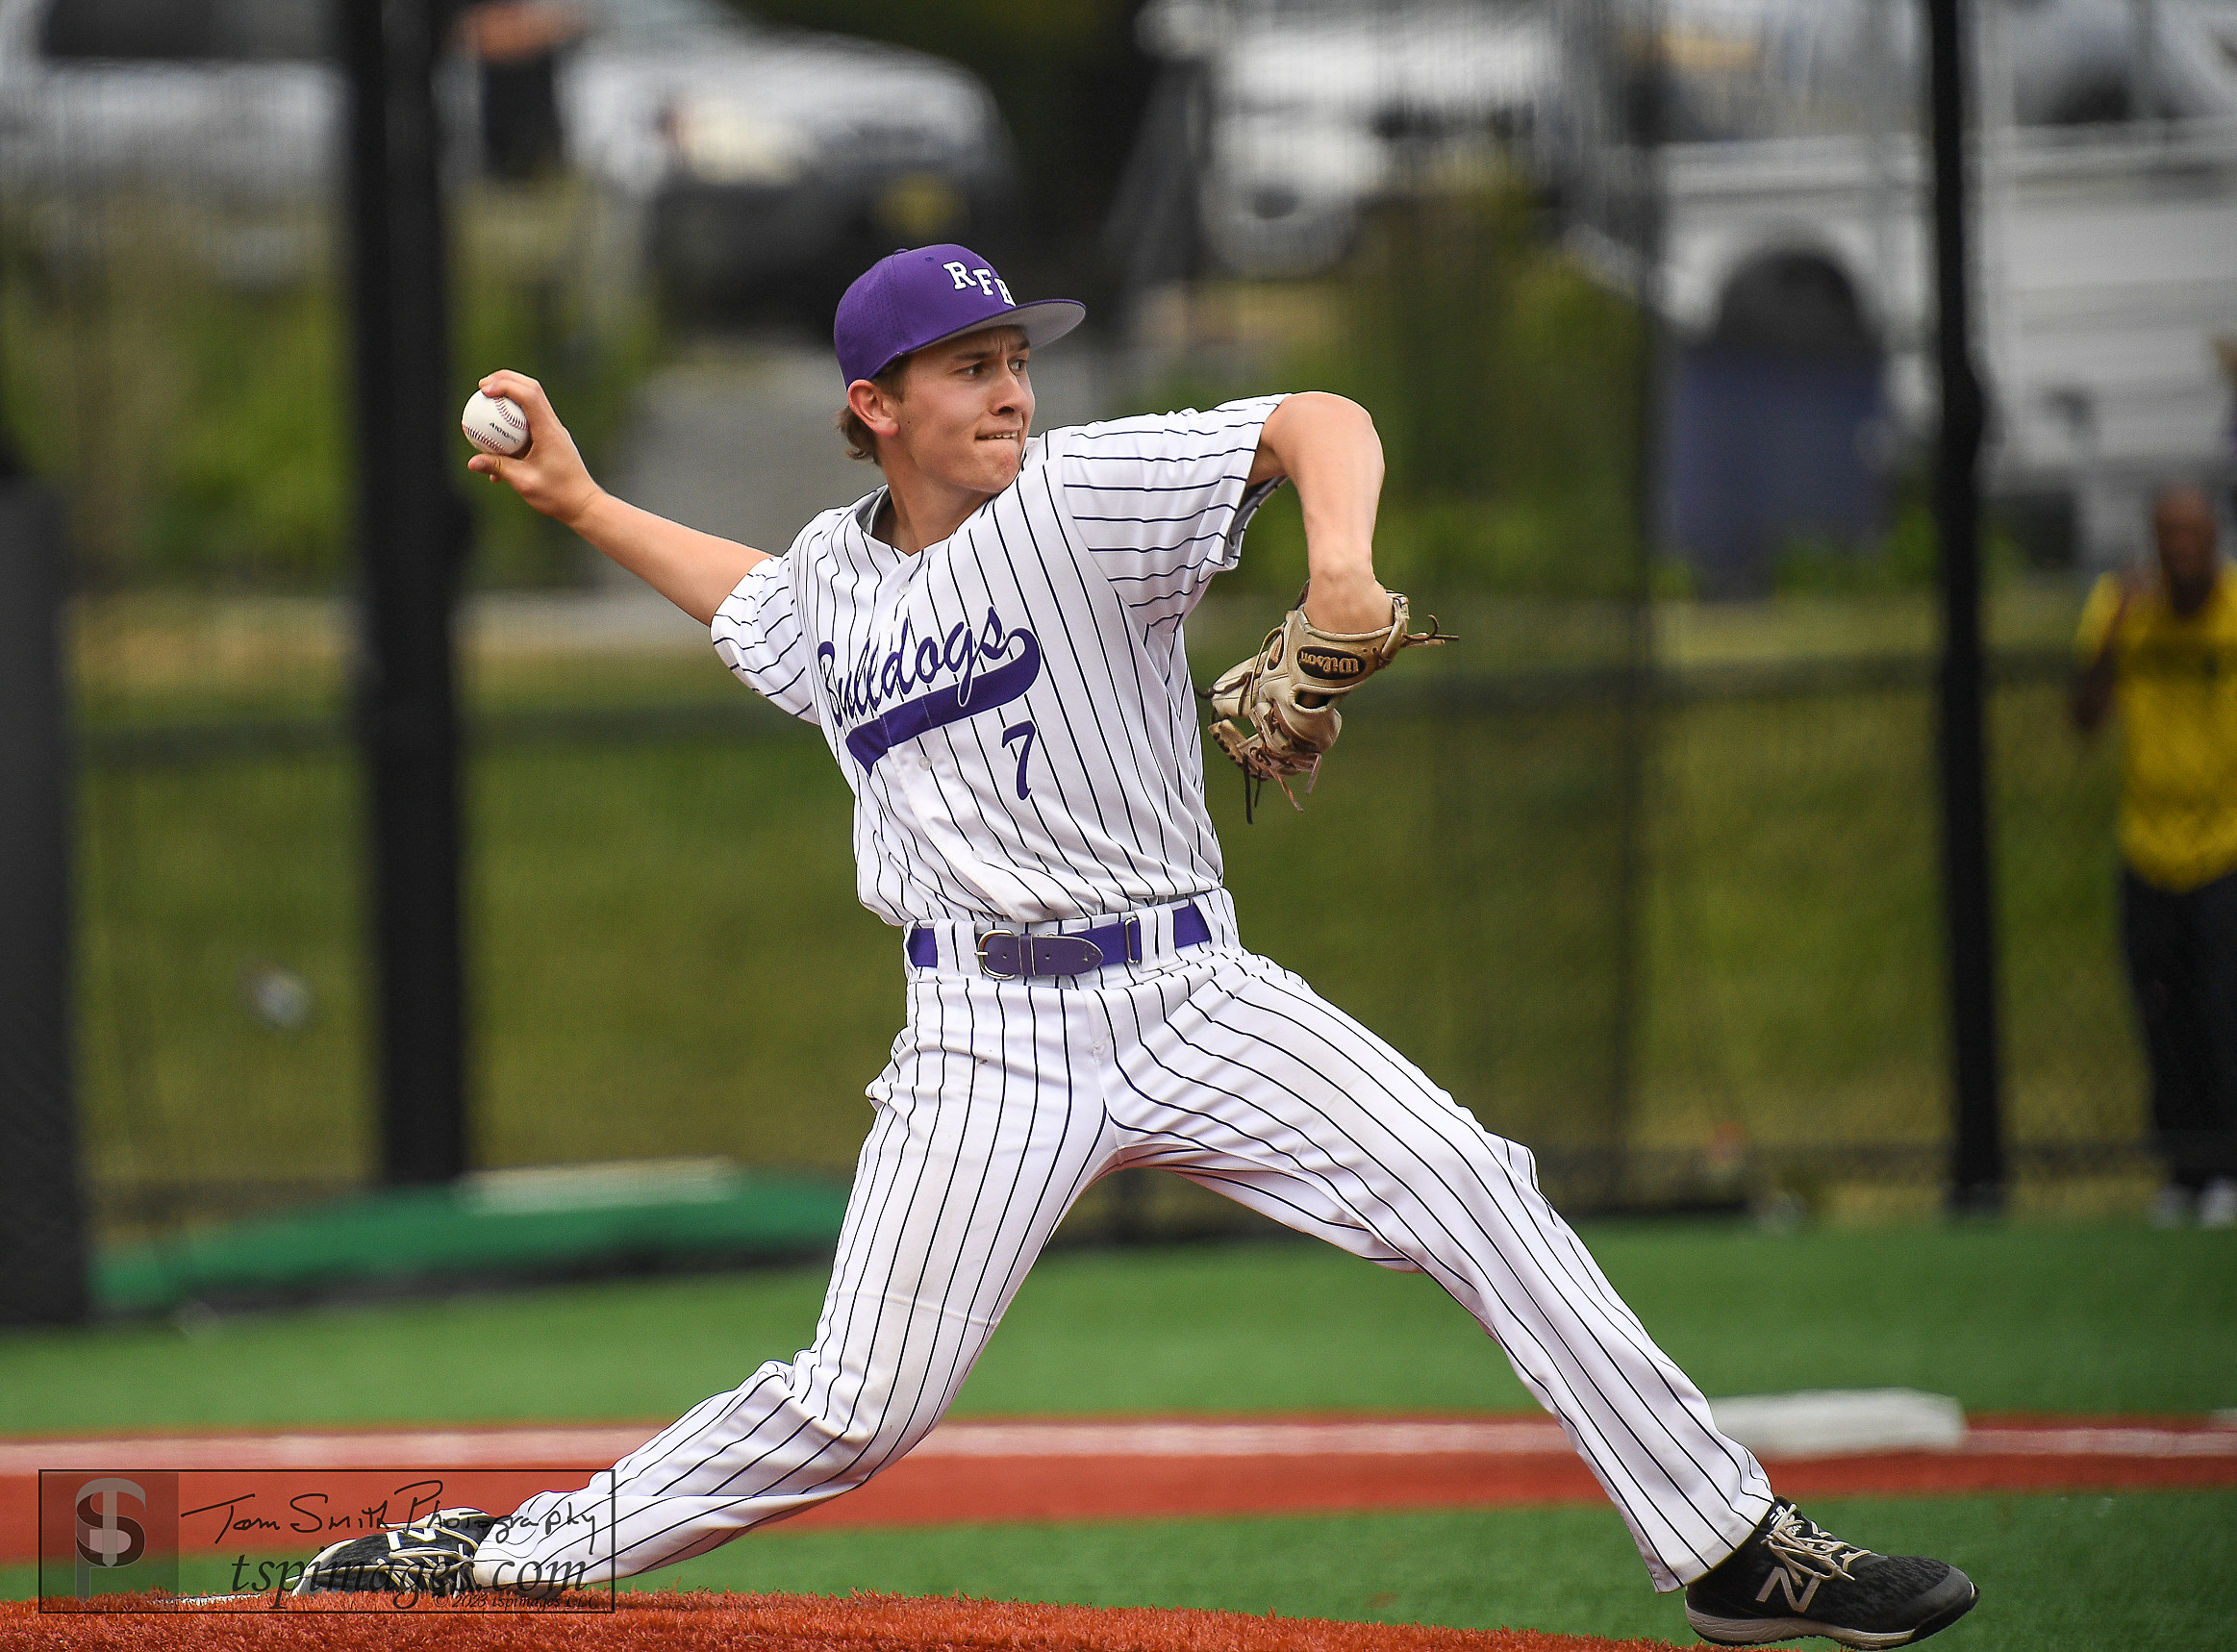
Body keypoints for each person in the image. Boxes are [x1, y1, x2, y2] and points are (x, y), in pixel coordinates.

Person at [296, 245, 1976, 1647]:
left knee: (1471, 1178)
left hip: (1186, 989)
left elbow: (1318, 417)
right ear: (872, 410)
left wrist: (1336, 580)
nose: (1009, 387)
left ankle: (1732, 1545)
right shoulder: (830, 579)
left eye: (1014, 353)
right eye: (964, 366)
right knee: (855, 1405)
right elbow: (749, 600)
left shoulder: (1084, 491)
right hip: (980, 1044)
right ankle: (506, 1555)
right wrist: (584, 501)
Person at [2072, 485, 2237, 1228]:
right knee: (2161, 1018)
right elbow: (2083, 717)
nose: (2183, 550)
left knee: (2222, 1013)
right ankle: (2184, 1172)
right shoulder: (2122, 607)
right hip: (2147, 845)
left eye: (2194, 535)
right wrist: (2116, 631)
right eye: (2170, 535)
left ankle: (2229, 1170)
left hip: (2227, 847)